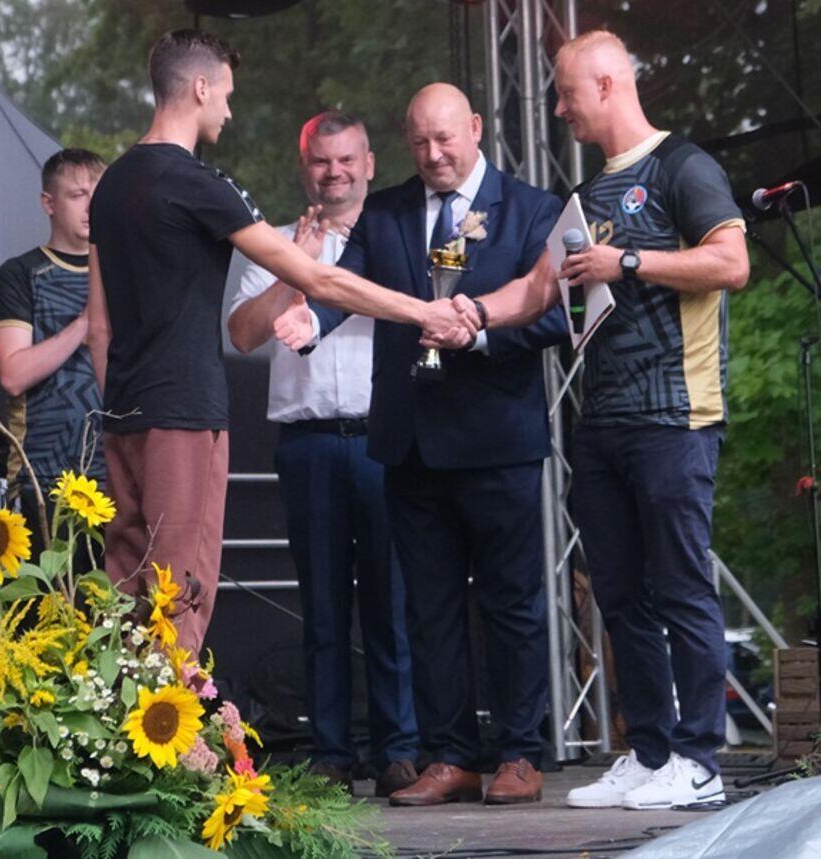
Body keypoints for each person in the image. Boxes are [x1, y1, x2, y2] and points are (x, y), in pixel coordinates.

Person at [87, 29, 477, 657]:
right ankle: (169, 720)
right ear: (201, 87)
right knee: (179, 591)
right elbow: (318, 279)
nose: (229, 110)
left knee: (128, 590)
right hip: (183, 412)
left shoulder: (111, 183)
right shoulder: (198, 182)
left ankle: (122, 715)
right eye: (226, 94)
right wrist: (422, 309)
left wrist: (119, 402)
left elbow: (98, 324)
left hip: (124, 413)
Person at [464, 30, 750, 811]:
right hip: (602, 420)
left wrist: (628, 261)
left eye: (564, 94)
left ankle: (700, 759)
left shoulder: (683, 166)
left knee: (681, 586)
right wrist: (465, 314)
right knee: (619, 595)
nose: (558, 110)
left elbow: (732, 262)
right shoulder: (586, 197)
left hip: (675, 415)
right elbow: (536, 288)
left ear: (603, 83)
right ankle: (649, 751)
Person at [276, 83, 568, 806]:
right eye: (419, 143)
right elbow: (346, 286)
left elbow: (554, 316)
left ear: (476, 128)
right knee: (429, 610)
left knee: (511, 604)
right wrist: (310, 322)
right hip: (410, 443)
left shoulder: (532, 209)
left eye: (445, 140)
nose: (433, 155)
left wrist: (479, 332)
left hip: (497, 441)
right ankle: (450, 755)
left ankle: (520, 752)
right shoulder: (387, 211)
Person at [227, 110, 419, 797]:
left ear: (369, 164)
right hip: (308, 442)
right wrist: (296, 271)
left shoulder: (399, 238)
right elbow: (243, 334)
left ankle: (400, 750)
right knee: (323, 604)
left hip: (382, 438)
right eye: (320, 161)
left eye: (345, 160)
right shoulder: (274, 243)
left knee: (392, 601)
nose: (333, 172)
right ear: (303, 166)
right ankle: (331, 751)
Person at [0, 148, 107, 540]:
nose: (91, 206)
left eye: (98, 195)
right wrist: (85, 324)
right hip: (43, 474)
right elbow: (12, 376)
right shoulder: (20, 274)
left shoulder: (127, 272)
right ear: (48, 203)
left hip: (119, 471)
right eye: (78, 195)